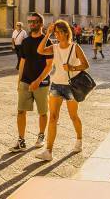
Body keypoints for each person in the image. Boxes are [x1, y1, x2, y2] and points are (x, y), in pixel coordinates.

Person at [34, 19, 89, 161]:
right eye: (55, 32)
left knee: (73, 116)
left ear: (66, 33)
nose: (56, 35)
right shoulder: (55, 47)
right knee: (53, 117)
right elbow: (40, 50)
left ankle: (79, 140)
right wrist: (47, 34)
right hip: (56, 85)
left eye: (58, 32)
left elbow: (85, 64)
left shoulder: (75, 47)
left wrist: (73, 68)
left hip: (71, 86)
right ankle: (49, 151)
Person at [11, 12, 53, 152]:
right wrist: (19, 81)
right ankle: (21, 140)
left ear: (41, 24)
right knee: (20, 111)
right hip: (25, 81)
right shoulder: (26, 41)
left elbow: (49, 66)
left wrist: (38, 81)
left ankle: (41, 136)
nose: (31, 24)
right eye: (30, 21)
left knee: (42, 112)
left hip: (41, 83)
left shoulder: (47, 41)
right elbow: (22, 61)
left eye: (35, 21)